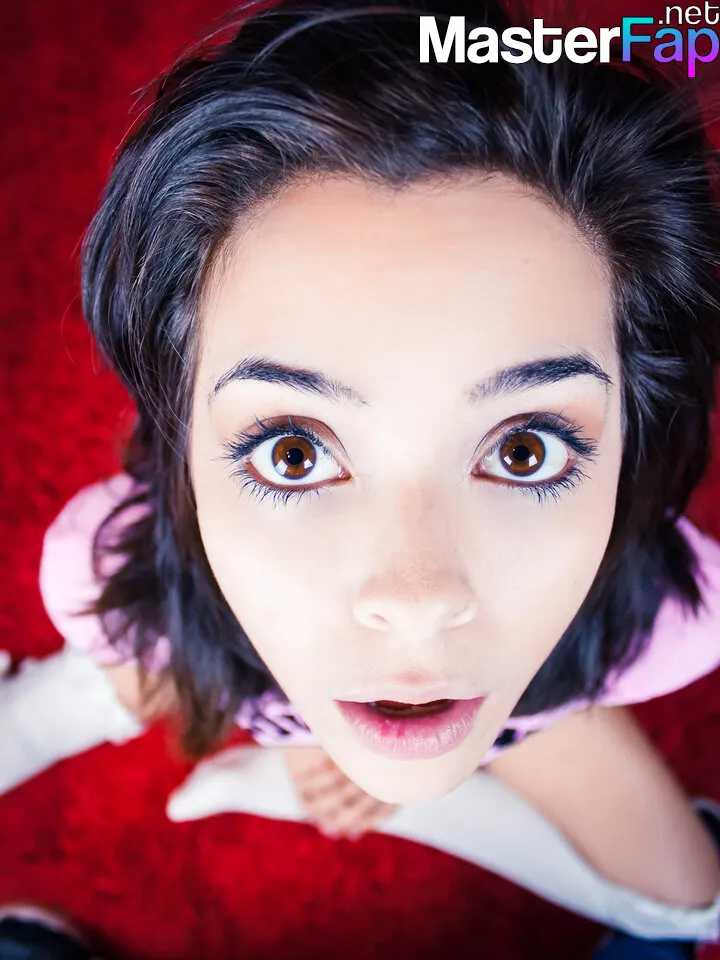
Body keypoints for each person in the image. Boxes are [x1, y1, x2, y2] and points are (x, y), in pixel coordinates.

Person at [2, 0, 720, 955]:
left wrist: (403, 784)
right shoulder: (106, 574)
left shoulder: (664, 618)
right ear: (181, 427)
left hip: (527, 688)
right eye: (293, 453)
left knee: (695, 905)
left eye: (524, 450)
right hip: (200, 630)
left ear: (634, 428)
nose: (416, 602)